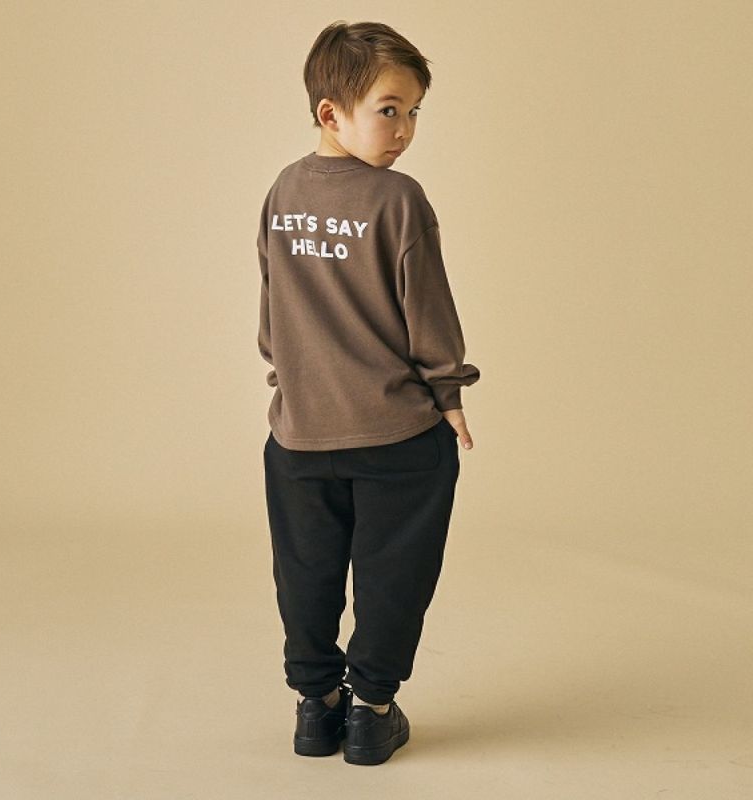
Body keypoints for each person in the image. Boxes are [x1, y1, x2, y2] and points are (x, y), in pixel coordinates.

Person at [257, 20, 480, 765]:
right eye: (389, 109)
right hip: (396, 438)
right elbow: (428, 309)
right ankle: (371, 713)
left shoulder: (283, 191)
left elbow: (272, 304)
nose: (405, 129)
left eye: (414, 112)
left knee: (306, 572)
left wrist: (291, 381)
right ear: (331, 112)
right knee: (393, 577)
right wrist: (448, 392)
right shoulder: (398, 199)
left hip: (298, 437)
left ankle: (315, 708)